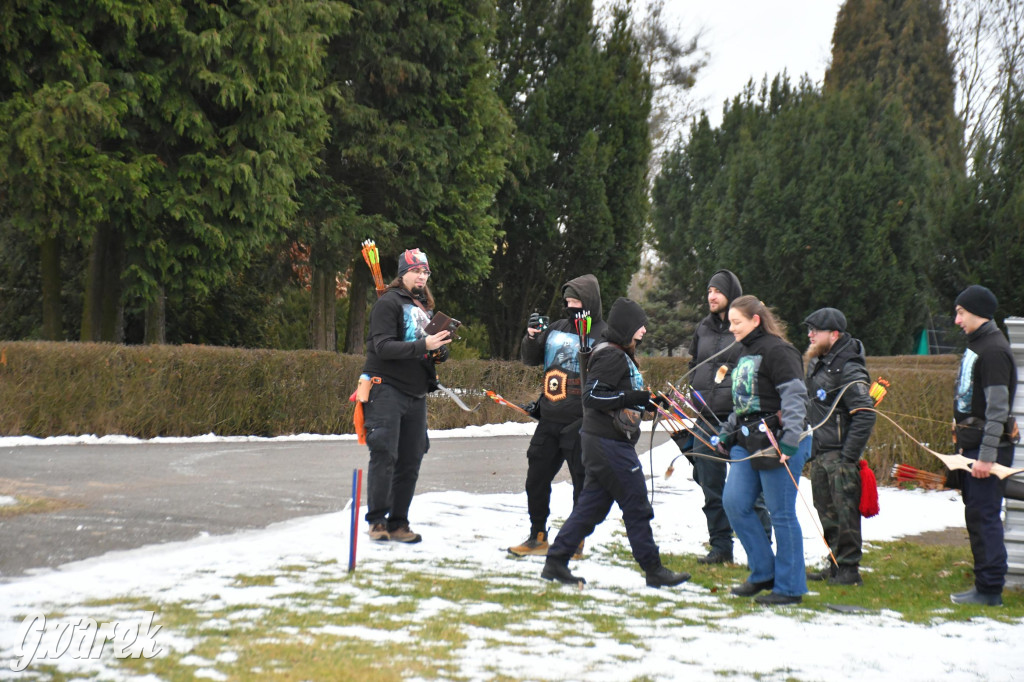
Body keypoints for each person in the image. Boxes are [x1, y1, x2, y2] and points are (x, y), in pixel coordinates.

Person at [541, 298, 691, 589]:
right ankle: (653, 569)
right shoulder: (610, 355)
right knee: (636, 504)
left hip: (604, 443)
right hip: (609, 445)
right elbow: (592, 397)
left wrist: (648, 400)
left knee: (591, 509)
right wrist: (633, 398)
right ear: (626, 327)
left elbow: (619, 394)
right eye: (639, 325)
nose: (644, 330)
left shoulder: (618, 354)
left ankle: (555, 561)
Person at [508, 275, 607, 556]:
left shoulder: (603, 333)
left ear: (589, 302)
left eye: (576, 301)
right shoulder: (557, 327)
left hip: (582, 422)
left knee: (581, 482)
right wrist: (531, 336)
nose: (571, 307)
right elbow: (531, 358)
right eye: (567, 302)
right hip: (550, 418)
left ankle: (576, 539)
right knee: (536, 479)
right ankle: (537, 535)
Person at [721, 295, 810, 605]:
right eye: (730, 322)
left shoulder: (779, 351)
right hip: (747, 440)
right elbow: (744, 401)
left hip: (780, 441)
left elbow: (795, 398)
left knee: (781, 513)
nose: (731, 328)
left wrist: (790, 440)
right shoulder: (741, 353)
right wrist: (726, 429)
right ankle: (763, 572)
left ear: (755, 320)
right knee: (734, 502)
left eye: (736, 322)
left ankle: (790, 588)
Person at [361, 248, 452, 543]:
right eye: (416, 272)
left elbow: (425, 349)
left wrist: (438, 350)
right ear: (403, 274)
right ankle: (377, 521)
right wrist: (423, 345)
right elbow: (383, 347)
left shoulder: (425, 309)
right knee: (385, 453)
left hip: (416, 394)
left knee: (411, 458)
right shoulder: (387, 303)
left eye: (425, 272)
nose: (422, 277)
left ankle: (399, 522)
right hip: (385, 388)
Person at [681, 270, 770, 564]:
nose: (712, 296)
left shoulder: (744, 329)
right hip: (706, 419)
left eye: (717, 291)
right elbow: (695, 362)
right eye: (709, 291)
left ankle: (761, 548)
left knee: (750, 488)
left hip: (740, 419)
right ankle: (721, 547)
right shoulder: (703, 328)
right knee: (710, 486)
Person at [949, 285, 1017, 607]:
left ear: (976, 311)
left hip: (986, 453)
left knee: (985, 516)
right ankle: (984, 585)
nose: (956, 320)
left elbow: (997, 411)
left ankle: (990, 590)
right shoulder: (979, 344)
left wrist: (986, 458)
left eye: (961, 312)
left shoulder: (993, 349)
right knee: (976, 515)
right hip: (972, 447)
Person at [802, 307, 877, 586]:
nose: (810, 335)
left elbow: (865, 413)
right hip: (820, 453)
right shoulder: (817, 362)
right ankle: (835, 563)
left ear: (834, 334)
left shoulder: (849, 366)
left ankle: (849, 571)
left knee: (845, 515)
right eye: (809, 330)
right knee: (826, 511)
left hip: (839, 456)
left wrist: (848, 457)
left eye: (815, 330)